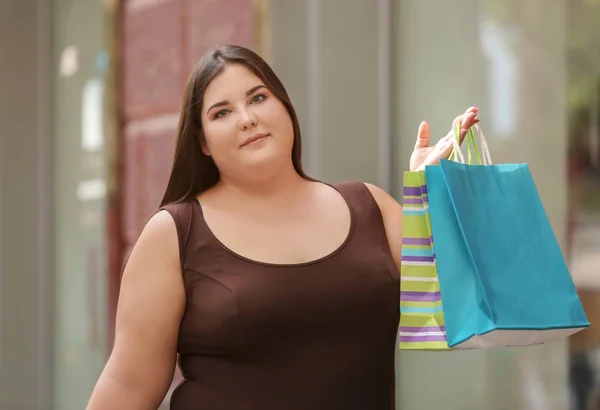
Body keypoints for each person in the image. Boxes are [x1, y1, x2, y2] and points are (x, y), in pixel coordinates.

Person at [86, 44, 479, 410]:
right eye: (221, 112)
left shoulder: (370, 207)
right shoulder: (174, 233)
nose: (247, 118)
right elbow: (126, 387)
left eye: (258, 98)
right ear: (202, 142)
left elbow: (455, 307)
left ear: (285, 108)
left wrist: (430, 195)